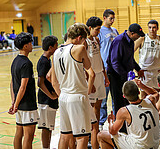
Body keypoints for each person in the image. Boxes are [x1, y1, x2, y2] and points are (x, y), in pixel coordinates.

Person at [51, 23, 95, 149]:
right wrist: (86, 94)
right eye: (84, 40)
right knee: (82, 137)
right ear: (79, 38)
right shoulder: (79, 49)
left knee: (65, 135)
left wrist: (64, 95)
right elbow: (91, 73)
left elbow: (54, 82)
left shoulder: (56, 52)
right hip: (78, 97)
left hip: (63, 97)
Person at [97, 80, 160, 149]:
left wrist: (111, 122)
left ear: (124, 96)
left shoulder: (124, 111)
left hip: (139, 147)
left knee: (101, 135)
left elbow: (112, 131)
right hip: (155, 144)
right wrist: (142, 86)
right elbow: (155, 93)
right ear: (138, 92)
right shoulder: (150, 100)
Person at [107, 23, 145, 133]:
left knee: (127, 100)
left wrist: (138, 69)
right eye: (138, 35)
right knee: (119, 101)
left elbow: (130, 59)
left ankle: (129, 125)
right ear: (132, 33)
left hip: (124, 75)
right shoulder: (119, 41)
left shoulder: (131, 42)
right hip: (115, 76)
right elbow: (115, 62)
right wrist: (125, 76)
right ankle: (121, 129)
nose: (139, 37)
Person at [8, 32, 39, 149]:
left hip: (19, 103)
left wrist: (14, 102)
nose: (32, 45)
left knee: (19, 133)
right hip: (27, 104)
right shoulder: (26, 63)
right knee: (28, 136)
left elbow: (11, 83)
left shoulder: (15, 60)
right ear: (25, 46)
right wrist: (15, 104)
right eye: (30, 43)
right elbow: (23, 86)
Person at [85, 16, 110, 149]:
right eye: (97, 29)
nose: (99, 31)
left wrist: (105, 75)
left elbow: (99, 57)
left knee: (98, 105)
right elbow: (83, 64)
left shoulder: (96, 39)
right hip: (91, 77)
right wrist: (89, 80)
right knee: (91, 106)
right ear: (89, 28)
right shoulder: (84, 42)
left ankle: (95, 132)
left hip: (100, 74)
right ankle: (90, 134)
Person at [134, 20, 160, 93]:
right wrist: (136, 68)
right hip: (145, 71)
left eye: (154, 27)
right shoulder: (142, 39)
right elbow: (130, 53)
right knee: (144, 95)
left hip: (157, 71)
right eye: (150, 27)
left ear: (157, 28)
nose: (152, 30)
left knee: (157, 94)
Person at [98, 9, 119, 130]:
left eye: (113, 18)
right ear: (104, 18)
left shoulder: (115, 31)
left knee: (116, 95)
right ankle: (101, 122)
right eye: (110, 18)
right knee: (104, 97)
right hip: (104, 68)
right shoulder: (100, 31)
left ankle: (117, 118)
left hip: (115, 67)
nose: (112, 21)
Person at [37, 36, 59, 149]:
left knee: (50, 126)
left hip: (50, 99)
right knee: (45, 127)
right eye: (56, 45)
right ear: (50, 47)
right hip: (45, 100)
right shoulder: (43, 62)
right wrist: (51, 95)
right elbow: (40, 83)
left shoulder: (48, 60)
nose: (58, 47)